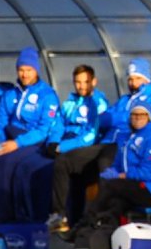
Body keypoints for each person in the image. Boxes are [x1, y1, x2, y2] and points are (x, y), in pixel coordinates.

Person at [51, 58, 151, 231]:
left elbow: (135, 120)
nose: (132, 83)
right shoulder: (125, 100)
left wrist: (113, 118)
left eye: (137, 78)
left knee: (103, 166)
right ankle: (60, 217)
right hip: (106, 142)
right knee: (64, 162)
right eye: (130, 79)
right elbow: (103, 119)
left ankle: (99, 221)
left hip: (124, 146)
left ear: (146, 79)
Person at [0, 47, 59, 223]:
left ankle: (8, 216)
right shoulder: (11, 94)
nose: (25, 74)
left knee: (7, 163)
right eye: (21, 70)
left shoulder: (47, 95)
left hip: (32, 142)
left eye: (29, 70)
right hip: (9, 138)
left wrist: (16, 144)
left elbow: (43, 129)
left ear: (36, 70)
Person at [14, 64, 109, 226]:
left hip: (85, 146)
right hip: (65, 142)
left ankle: (59, 214)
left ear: (94, 82)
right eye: (78, 82)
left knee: (61, 164)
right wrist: (53, 142)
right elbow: (58, 123)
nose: (81, 86)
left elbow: (91, 135)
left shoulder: (98, 103)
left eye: (85, 82)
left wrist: (62, 147)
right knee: (32, 165)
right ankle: (30, 215)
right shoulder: (70, 101)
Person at [73, 99, 151, 239]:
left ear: (148, 118)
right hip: (134, 186)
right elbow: (117, 165)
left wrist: (123, 176)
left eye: (142, 115)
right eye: (134, 115)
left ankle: (83, 224)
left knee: (111, 186)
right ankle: (101, 238)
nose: (137, 118)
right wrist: (110, 174)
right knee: (113, 201)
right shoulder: (126, 139)